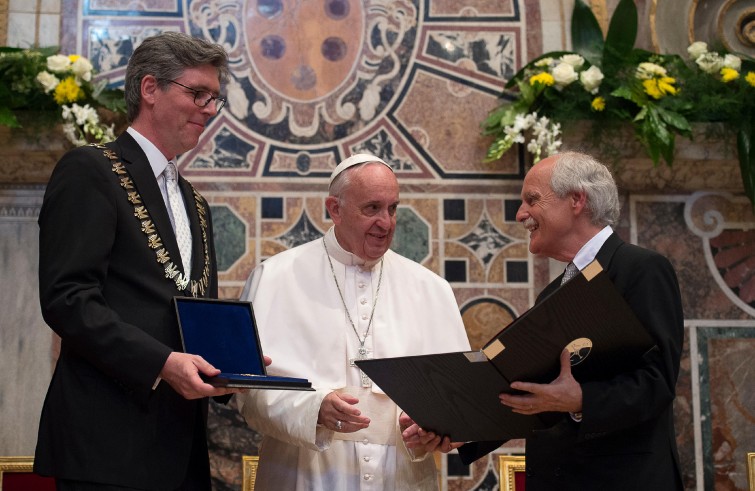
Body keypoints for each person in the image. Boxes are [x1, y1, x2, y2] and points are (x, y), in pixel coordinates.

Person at [34, 32, 252, 490]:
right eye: (198, 94)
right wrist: (161, 363)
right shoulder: (90, 169)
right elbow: (67, 299)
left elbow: (190, 312)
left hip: (181, 447)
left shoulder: (195, 202)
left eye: (216, 98)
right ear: (150, 89)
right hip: (105, 444)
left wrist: (232, 364)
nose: (210, 110)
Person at [235, 154, 471, 490]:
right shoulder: (275, 277)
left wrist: (439, 428)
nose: (386, 222)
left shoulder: (430, 289)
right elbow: (246, 393)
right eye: (372, 208)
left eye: (392, 209)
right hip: (305, 475)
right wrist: (313, 409)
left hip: (401, 478)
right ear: (335, 209)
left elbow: (458, 399)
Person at [462, 151, 684, 489]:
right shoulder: (552, 294)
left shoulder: (641, 269)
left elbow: (658, 383)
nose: (521, 214)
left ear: (577, 200)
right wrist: (456, 431)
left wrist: (582, 400)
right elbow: (529, 393)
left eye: (532, 200)